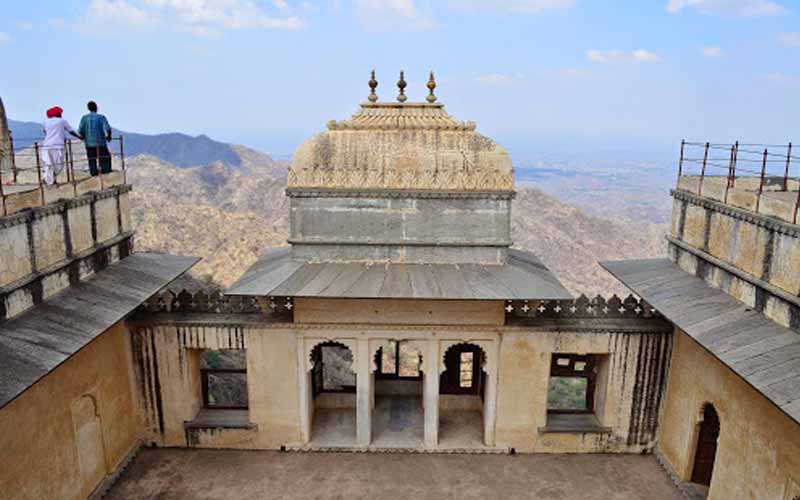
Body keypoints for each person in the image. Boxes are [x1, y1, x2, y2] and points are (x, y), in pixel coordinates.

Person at [41, 106, 80, 185]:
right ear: (58, 114)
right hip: (58, 145)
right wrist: (79, 137)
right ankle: (49, 180)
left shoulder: (45, 121)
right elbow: (70, 131)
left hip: (47, 145)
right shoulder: (62, 121)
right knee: (58, 165)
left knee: (49, 163)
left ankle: (48, 179)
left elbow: (45, 131)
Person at [77, 101, 113, 176]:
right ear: (96, 108)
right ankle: (106, 173)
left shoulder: (84, 118)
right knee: (105, 158)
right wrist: (109, 136)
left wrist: (84, 137)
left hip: (89, 143)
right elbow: (108, 128)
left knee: (92, 159)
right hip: (101, 142)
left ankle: (94, 174)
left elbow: (80, 130)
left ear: (88, 108)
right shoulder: (101, 117)